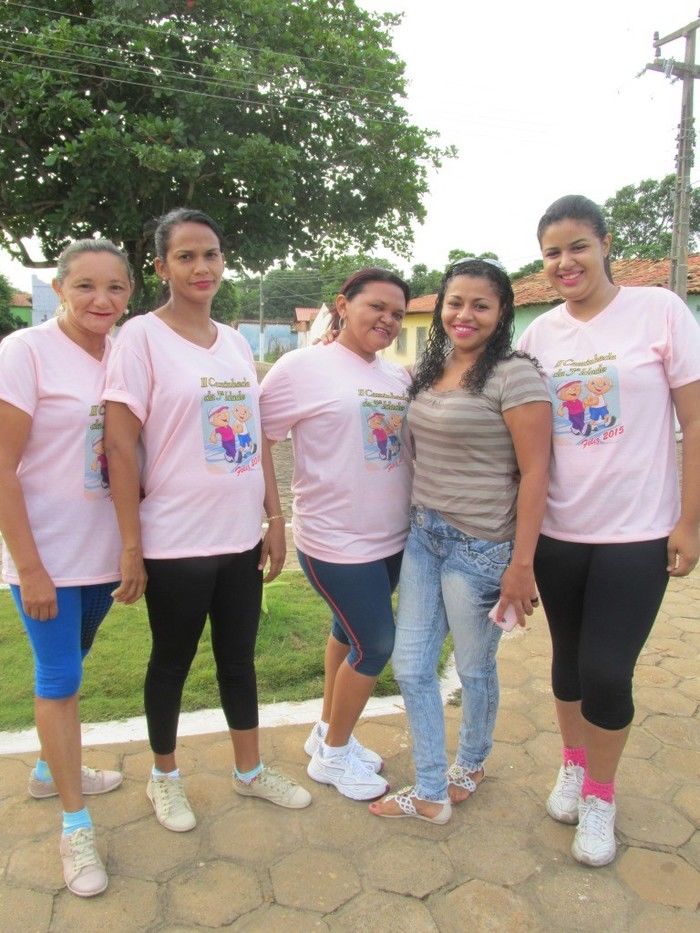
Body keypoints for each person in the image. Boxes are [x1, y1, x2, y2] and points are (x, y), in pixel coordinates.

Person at [103, 208, 311, 832]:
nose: (202, 267)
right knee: (172, 661)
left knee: (238, 659)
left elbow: (251, 437)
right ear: (161, 266)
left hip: (238, 536)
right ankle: (164, 778)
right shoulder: (139, 338)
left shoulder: (235, 342)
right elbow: (118, 446)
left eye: (212, 254)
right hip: (175, 538)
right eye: (187, 256)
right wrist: (132, 547)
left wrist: (275, 519)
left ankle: (249, 772)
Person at [518, 195, 700, 867]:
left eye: (576, 247)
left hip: (639, 532)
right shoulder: (539, 336)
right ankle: (571, 763)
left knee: (605, 668)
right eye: (551, 253)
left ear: (605, 244)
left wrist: (689, 520)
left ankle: (600, 793)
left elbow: (696, 420)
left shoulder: (660, 312)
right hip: (561, 531)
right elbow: (522, 436)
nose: (565, 262)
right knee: (567, 660)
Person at [369, 258, 552, 824]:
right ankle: (430, 789)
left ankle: (470, 765)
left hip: (482, 549)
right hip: (425, 538)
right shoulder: (430, 371)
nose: (464, 314)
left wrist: (522, 565)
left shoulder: (515, 375)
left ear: (501, 314)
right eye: (455, 302)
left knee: (474, 670)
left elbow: (537, 474)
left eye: (480, 305)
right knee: (412, 665)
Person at [0, 239, 134, 897]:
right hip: (46, 555)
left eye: (115, 287)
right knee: (60, 676)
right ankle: (74, 826)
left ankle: (53, 771)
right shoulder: (24, 353)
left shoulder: (123, 354)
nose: (101, 300)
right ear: (59, 288)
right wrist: (30, 567)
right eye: (85, 286)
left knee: (74, 661)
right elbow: (1, 467)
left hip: (101, 555)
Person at [260, 269, 413, 801]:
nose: (388, 321)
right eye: (377, 307)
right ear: (343, 306)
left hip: (390, 539)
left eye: (397, 313)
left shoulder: (396, 379)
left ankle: (326, 731)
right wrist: (273, 521)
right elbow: (258, 438)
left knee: (347, 634)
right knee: (376, 643)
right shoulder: (303, 367)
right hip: (334, 540)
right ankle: (334, 756)